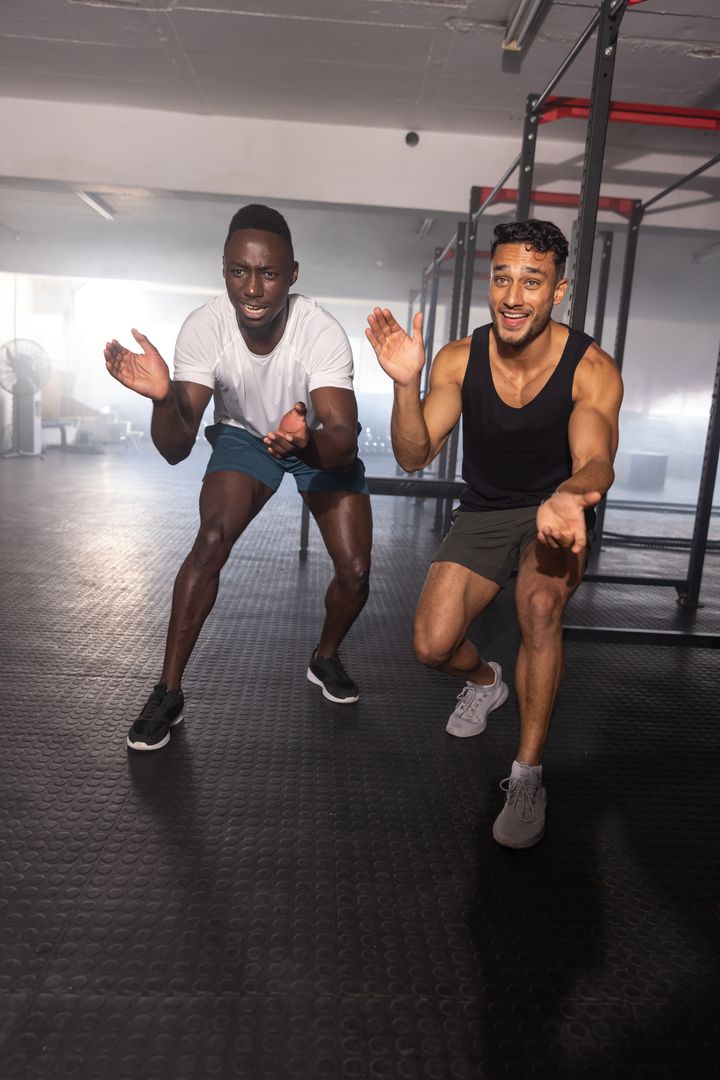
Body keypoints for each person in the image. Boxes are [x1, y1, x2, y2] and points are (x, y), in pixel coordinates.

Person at [365, 219, 623, 849]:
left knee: (538, 607)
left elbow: (597, 460)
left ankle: (527, 772)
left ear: (557, 290)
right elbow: (412, 453)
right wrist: (405, 385)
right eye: (502, 277)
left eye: (531, 281)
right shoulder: (459, 358)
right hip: (483, 511)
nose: (513, 295)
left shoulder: (591, 368)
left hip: (554, 512)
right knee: (431, 645)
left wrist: (568, 496)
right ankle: (487, 681)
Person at [104, 204, 372, 751]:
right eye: (239, 271)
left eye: (269, 274)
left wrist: (306, 440)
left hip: (312, 440)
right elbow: (176, 448)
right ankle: (168, 691)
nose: (253, 288)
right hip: (245, 436)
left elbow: (344, 437)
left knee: (356, 571)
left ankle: (324, 658)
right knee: (210, 540)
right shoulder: (205, 327)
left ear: (292, 274)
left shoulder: (319, 331)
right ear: (223, 268)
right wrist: (161, 400)